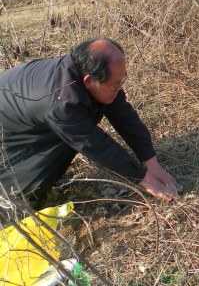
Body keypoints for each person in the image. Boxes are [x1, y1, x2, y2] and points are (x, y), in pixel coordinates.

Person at [0, 37, 180, 209]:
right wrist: (144, 179)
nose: (119, 88)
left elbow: (124, 116)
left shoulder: (89, 71)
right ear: (89, 81)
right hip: (7, 124)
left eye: (121, 81)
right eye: (115, 84)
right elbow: (95, 145)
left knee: (69, 134)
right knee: (23, 184)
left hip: (28, 108)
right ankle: (11, 204)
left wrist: (150, 161)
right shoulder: (63, 103)